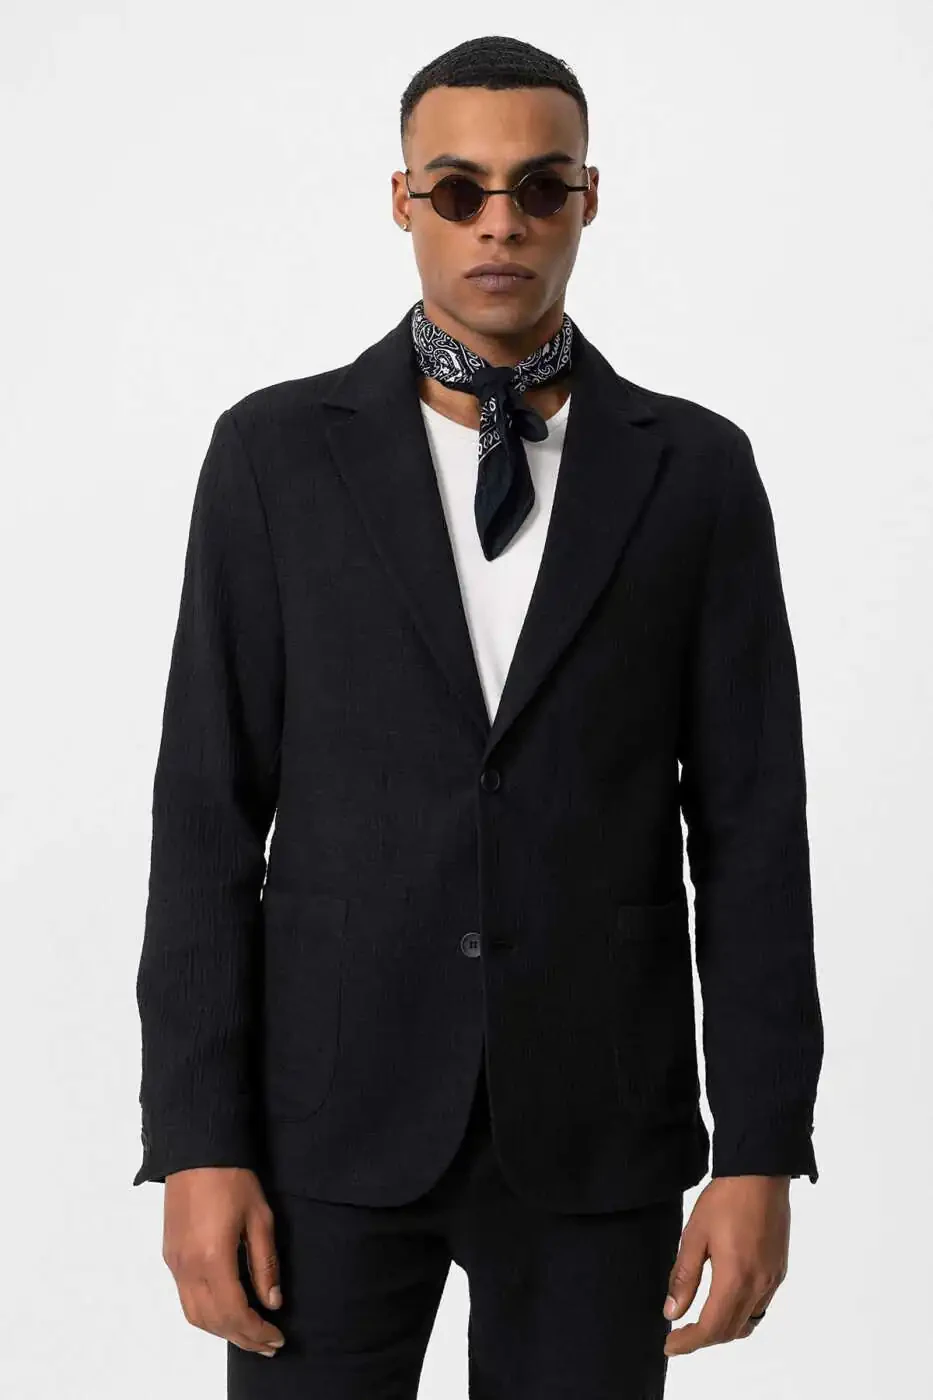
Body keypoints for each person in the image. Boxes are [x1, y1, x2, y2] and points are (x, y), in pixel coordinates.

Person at [133, 33, 824, 1399]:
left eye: (539, 186)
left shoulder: (694, 471)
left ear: (587, 199)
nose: (499, 222)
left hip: (599, 1126)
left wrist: (760, 1148)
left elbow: (754, 833)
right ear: (404, 202)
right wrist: (197, 1139)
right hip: (327, 1126)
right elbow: (206, 811)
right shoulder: (275, 456)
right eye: (458, 190)